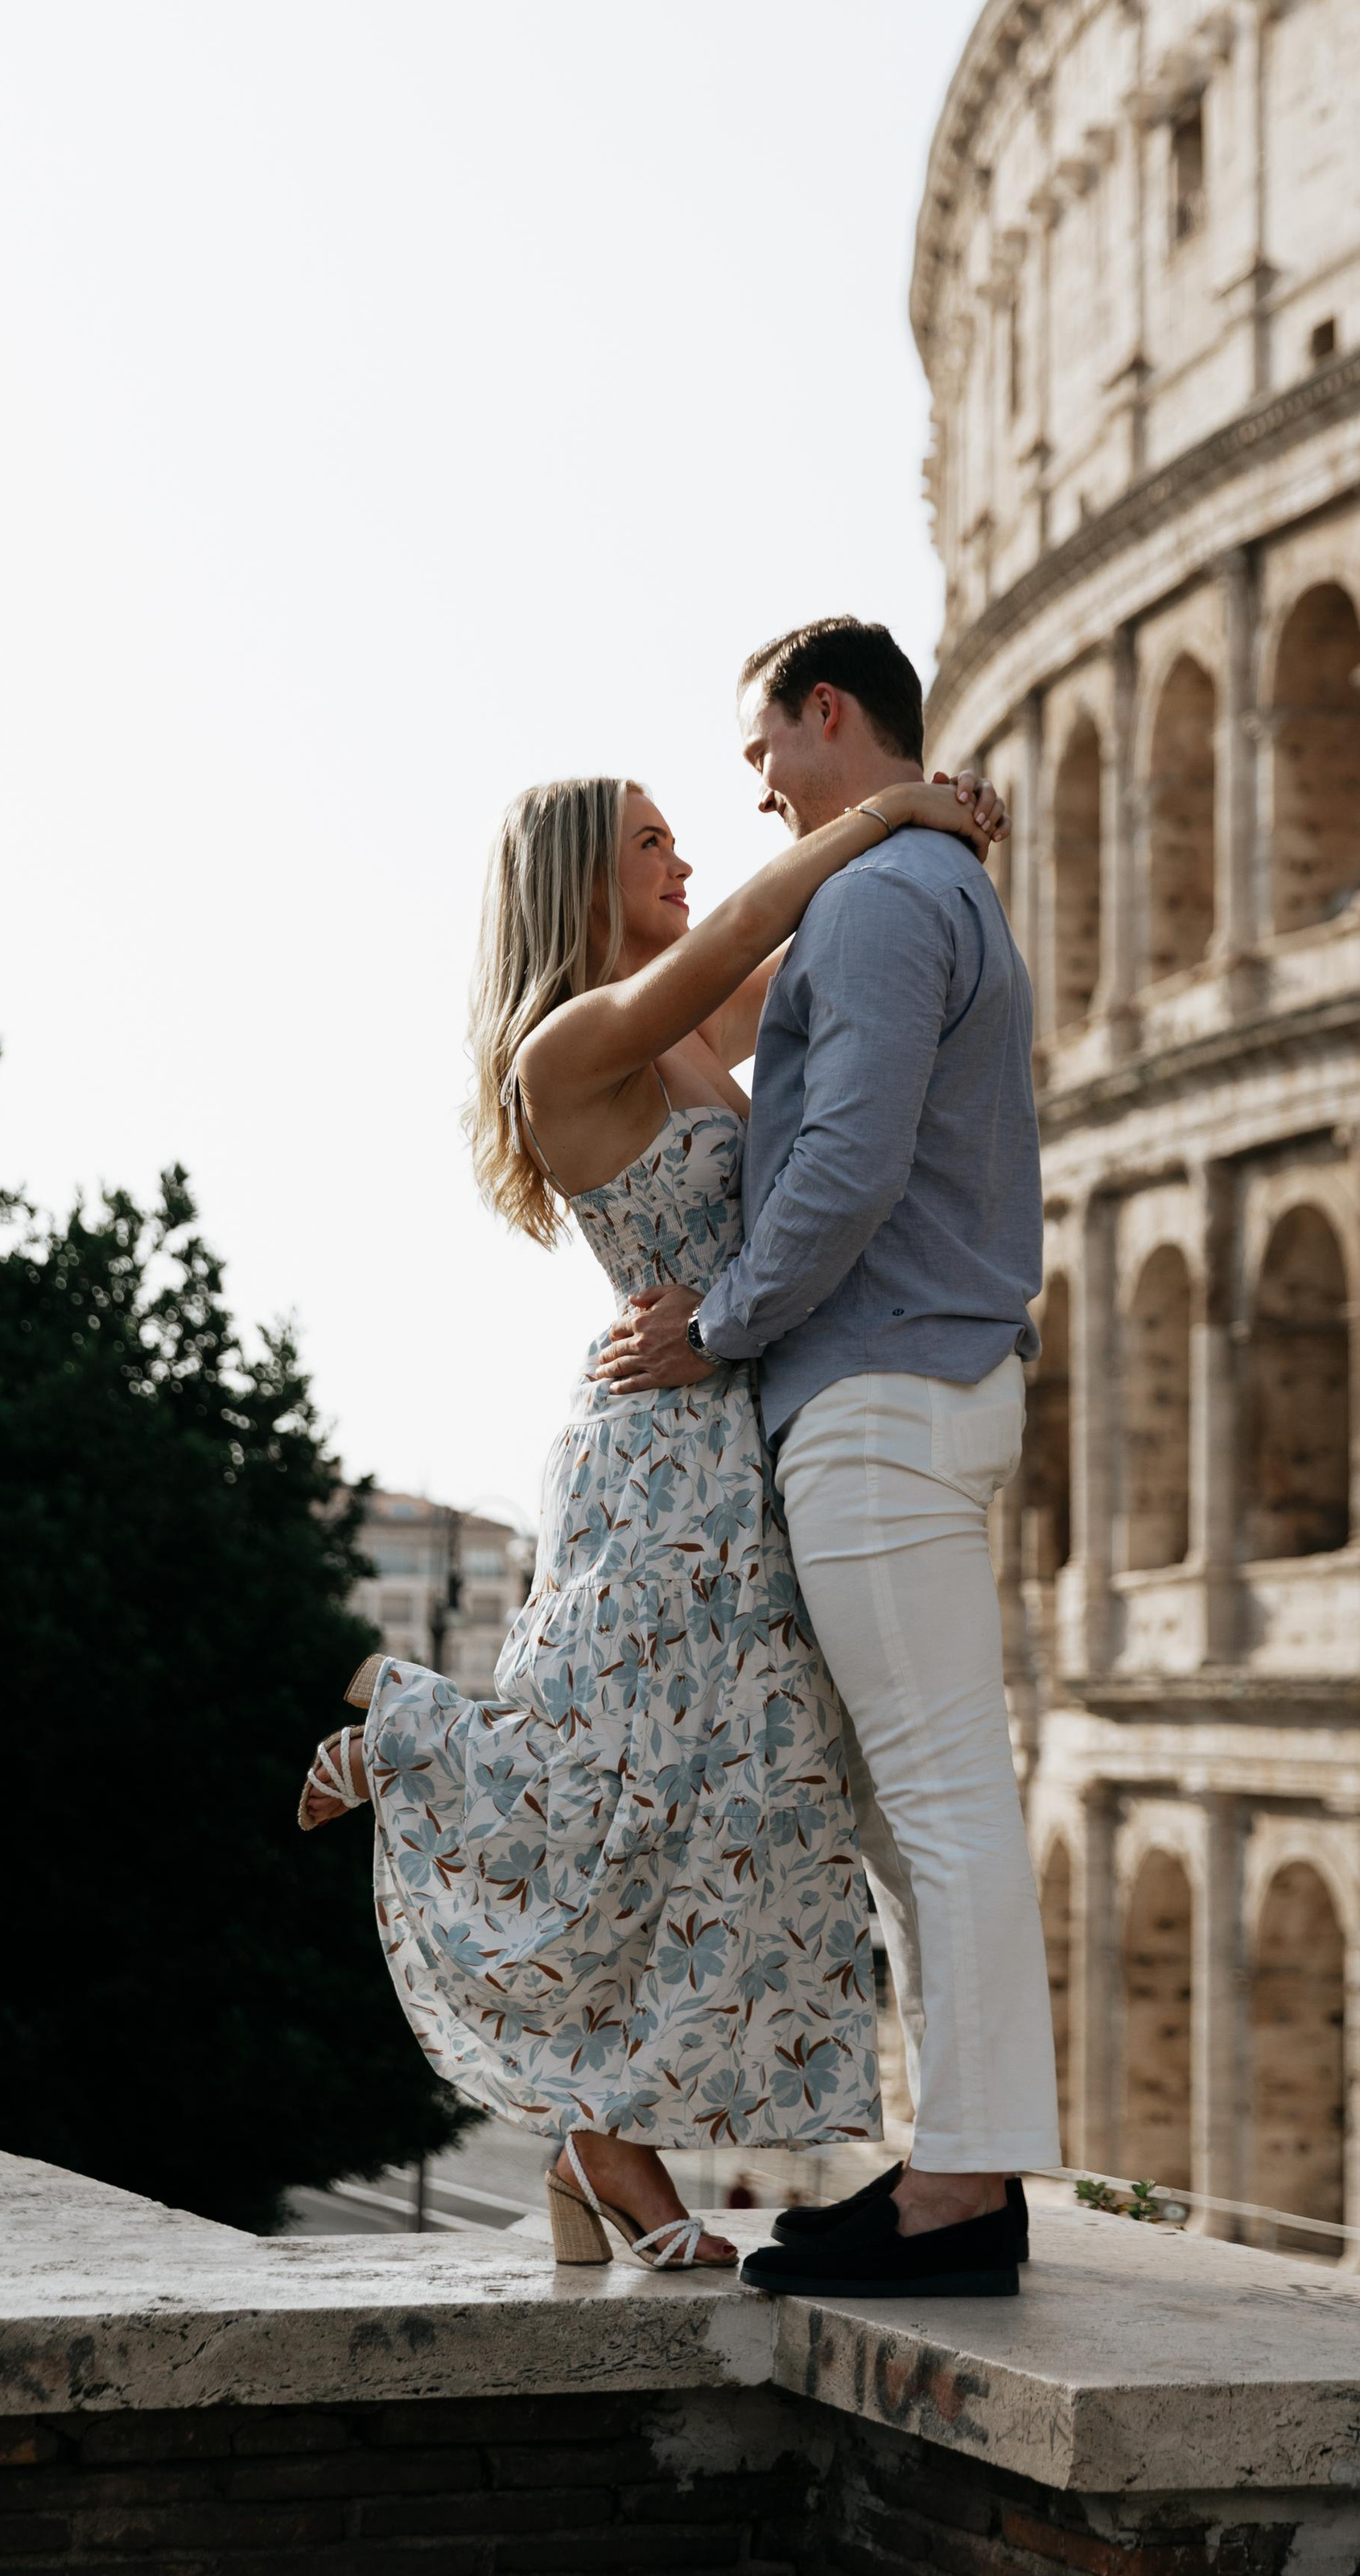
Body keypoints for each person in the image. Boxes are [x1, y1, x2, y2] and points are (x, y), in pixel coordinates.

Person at [295, 759, 1007, 2274]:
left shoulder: (682, 1027)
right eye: (651, 843)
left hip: (729, 1440)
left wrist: (932, 861)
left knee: (713, 1781)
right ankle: (413, 1735)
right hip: (650, 1451)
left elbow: (823, 962)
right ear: (576, 883)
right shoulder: (570, 1046)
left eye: (686, 838)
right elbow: (762, 920)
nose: (685, 858)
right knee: (629, 1772)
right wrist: (885, 812)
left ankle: (597, 2152)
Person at [596, 616, 1060, 2302]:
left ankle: (962, 2191)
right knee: (911, 1805)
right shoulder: (919, 887)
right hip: (920, 1384)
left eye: (762, 753)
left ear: (827, 716)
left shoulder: (877, 902)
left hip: (874, 1391)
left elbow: (846, 1159)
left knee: (936, 1802)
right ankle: (960, 2166)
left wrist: (714, 1323)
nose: (758, 790)